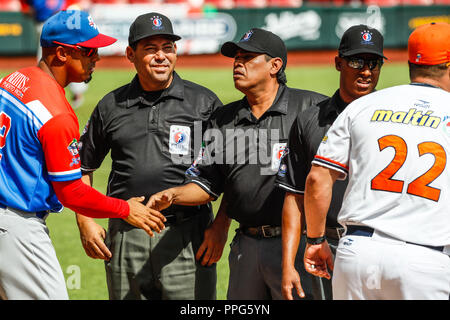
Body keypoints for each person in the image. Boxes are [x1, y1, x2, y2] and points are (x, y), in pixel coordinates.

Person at [148, 28, 327, 300]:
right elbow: (208, 183)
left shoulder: (311, 109)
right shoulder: (224, 119)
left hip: (299, 244)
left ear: (275, 66)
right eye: (236, 58)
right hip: (246, 245)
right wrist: (174, 194)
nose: (238, 64)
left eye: (248, 57)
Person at [0, 10, 164, 300]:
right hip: (15, 226)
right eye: (88, 51)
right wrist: (126, 209)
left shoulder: (14, 79)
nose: (96, 58)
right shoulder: (57, 114)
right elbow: (71, 193)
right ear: (62, 54)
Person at [75, 12, 222, 300]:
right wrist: (85, 221)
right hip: (126, 234)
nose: (161, 56)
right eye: (150, 49)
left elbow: (229, 174)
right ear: (131, 54)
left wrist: (220, 226)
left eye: (168, 48)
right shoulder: (111, 105)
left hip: (186, 233)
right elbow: (82, 166)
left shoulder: (204, 103)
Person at [303, 22, 450, 300]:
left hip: (357, 254)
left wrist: (316, 240)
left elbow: (317, 178)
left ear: (410, 63)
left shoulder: (364, 106)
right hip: (426, 260)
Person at [275, 24, 386, 300]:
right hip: (323, 244)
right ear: (338, 63)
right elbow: (294, 195)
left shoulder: (392, 120)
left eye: (373, 63)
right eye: (356, 61)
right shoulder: (310, 120)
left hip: (379, 246)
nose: (366, 71)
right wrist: (289, 264)